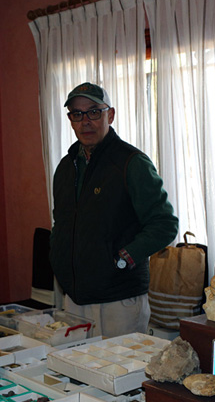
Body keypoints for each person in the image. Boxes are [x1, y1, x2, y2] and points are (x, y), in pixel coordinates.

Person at [49, 82, 178, 337]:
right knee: (76, 364)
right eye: (77, 114)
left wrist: (124, 258)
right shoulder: (66, 167)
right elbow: (61, 224)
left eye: (93, 112)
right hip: (74, 300)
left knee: (122, 364)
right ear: (71, 120)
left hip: (119, 301)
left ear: (110, 115)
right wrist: (58, 259)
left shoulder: (132, 163)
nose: (86, 121)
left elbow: (165, 224)